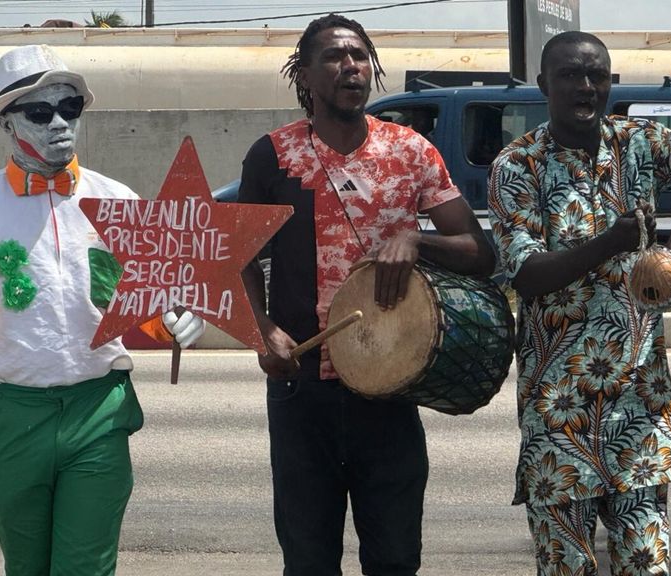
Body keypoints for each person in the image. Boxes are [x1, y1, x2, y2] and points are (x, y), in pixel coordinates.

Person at [0, 44, 204, 575]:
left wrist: (171, 322)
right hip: (13, 416)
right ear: (6, 122)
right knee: (25, 567)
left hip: (99, 412)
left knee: (85, 568)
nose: (59, 123)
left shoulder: (119, 200)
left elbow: (144, 301)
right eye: (39, 111)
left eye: (70, 107)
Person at [487, 31, 671, 576]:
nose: (586, 87)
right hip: (558, 412)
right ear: (544, 85)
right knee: (567, 569)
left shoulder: (640, 143)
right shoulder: (518, 165)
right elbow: (529, 275)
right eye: (570, 75)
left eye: (598, 76)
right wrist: (611, 241)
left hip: (639, 405)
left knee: (647, 567)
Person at [236, 14, 495, 576]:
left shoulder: (410, 151)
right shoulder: (272, 156)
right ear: (304, 73)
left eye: (359, 55)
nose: (350, 66)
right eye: (332, 56)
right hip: (302, 389)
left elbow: (480, 251)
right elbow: (237, 259)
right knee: (308, 561)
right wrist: (261, 329)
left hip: (391, 389)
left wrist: (416, 240)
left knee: (397, 559)